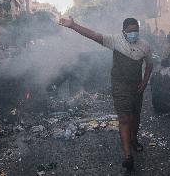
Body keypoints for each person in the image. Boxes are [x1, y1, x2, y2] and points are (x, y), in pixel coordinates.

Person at [59, 17, 153, 171]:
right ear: (124, 31)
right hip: (120, 87)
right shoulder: (115, 41)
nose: (134, 34)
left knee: (136, 116)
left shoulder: (145, 45)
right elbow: (94, 35)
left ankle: (133, 139)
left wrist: (145, 81)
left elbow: (149, 64)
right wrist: (74, 25)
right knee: (124, 119)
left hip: (137, 87)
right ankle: (128, 157)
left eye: (136, 31)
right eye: (130, 31)